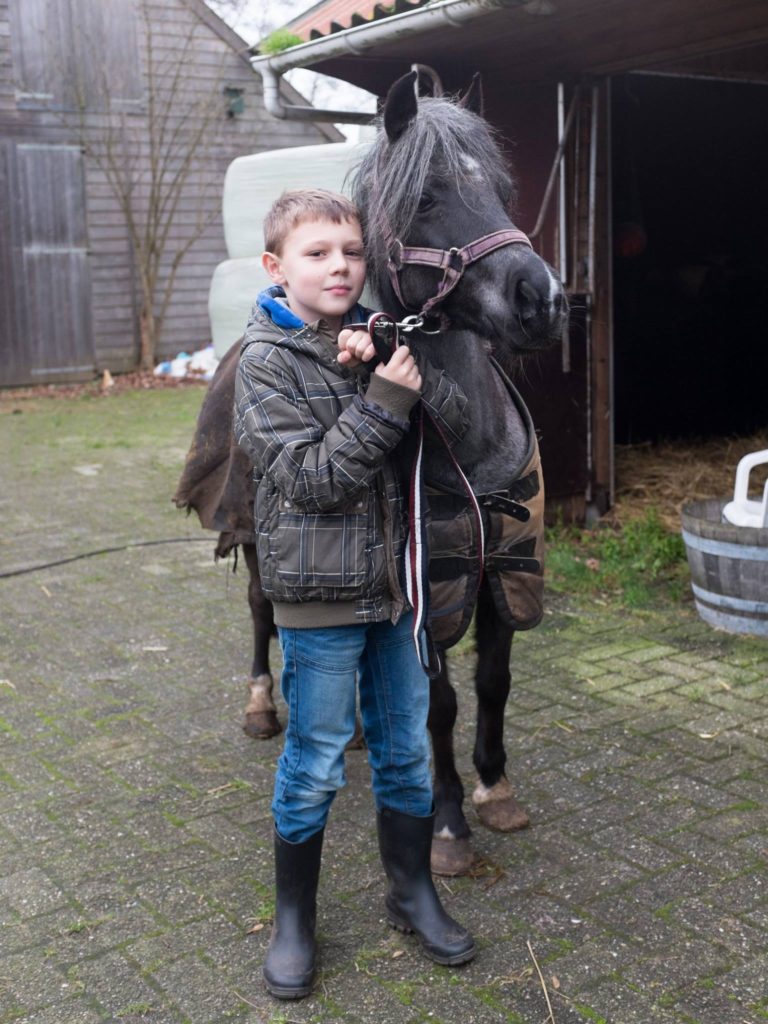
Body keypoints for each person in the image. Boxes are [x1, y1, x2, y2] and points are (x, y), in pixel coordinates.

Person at [233, 188, 476, 1000]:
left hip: (397, 593)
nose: (340, 266)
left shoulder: (378, 334)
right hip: (319, 603)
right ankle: (294, 919)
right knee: (315, 762)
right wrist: (382, 399)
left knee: (406, 755)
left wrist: (393, 364)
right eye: (317, 253)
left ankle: (411, 893)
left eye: (351, 251)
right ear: (276, 267)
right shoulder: (264, 363)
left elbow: (454, 430)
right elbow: (311, 480)